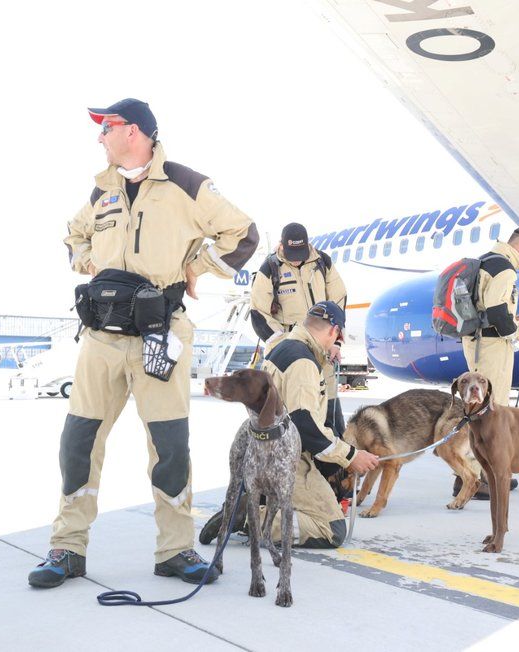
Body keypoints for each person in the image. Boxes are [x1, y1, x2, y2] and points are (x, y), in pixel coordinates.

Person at [28, 98, 259, 588]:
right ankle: (67, 548)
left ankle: (175, 550)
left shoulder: (186, 184)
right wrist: (91, 266)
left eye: (105, 127)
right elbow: (73, 238)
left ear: (133, 131)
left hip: (162, 333)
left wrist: (197, 269)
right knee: (78, 442)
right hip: (102, 338)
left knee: (170, 446)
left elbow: (243, 233)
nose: (99, 137)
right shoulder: (101, 192)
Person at [200, 301, 379, 548]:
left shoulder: (283, 347)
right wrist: (350, 456)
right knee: (331, 530)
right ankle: (248, 519)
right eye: (337, 338)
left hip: (261, 448)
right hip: (283, 457)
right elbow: (304, 424)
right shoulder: (303, 362)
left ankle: (256, 501)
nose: (334, 345)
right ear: (333, 331)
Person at [455, 226, 519, 499]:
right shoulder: (505, 268)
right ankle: (484, 478)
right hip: (493, 346)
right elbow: (496, 311)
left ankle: (467, 476)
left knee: (476, 409)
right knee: (492, 411)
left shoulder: (485, 260)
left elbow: (490, 308)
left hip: (478, 342)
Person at [249, 223, 348, 431]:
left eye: (300, 252)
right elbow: (259, 313)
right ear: (282, 246)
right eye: (292, 253)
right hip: (291, 354)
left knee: (330, 417)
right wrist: (284, 345)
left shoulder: (323, 263)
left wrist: (335, 341)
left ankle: (336, 460)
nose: (296, 258)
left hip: (322, 350)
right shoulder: (270, 268)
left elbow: (338, 300)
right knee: (295, 416)